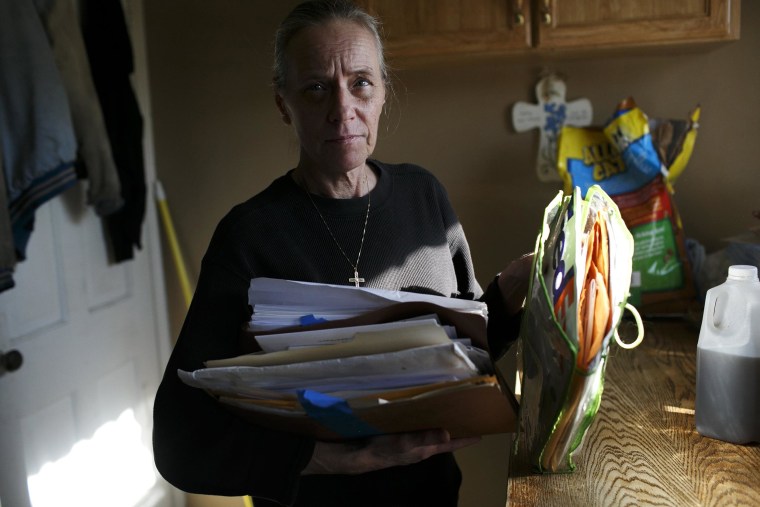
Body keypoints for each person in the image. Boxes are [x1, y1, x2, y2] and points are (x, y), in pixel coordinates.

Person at [152, 1, 531, 505]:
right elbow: (179, 442)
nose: (342, 109)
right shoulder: (250, 237)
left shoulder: (424, 197)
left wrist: (509, 296)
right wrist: (333, 459)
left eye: (360, 82)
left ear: (382, 92)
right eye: (315, 88)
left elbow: (466, 355)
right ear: (283, 103)